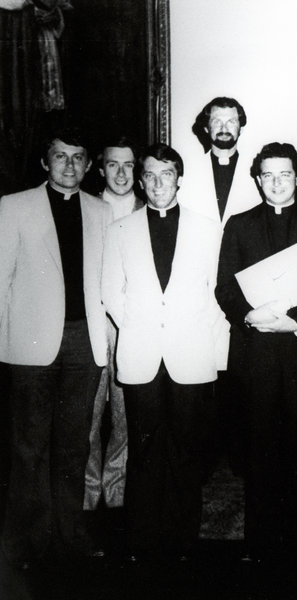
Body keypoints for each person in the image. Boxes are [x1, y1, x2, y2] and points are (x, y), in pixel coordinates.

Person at [216, 143, 297, 561]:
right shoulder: (238, 225)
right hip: (256, 356)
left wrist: (296, 321)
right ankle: (260, 542)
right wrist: (250, 314)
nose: (276, 182)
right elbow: (225, 287)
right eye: (268, 175)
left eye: (284, 174)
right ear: (257, 179)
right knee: (259, 452)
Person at [101, 143, 229, 560]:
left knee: (186, 452)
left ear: (179, 178)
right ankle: (143, 541)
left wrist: (209, 348)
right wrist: (144, 327)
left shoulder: (208, 228)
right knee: (144, 451)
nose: (158, 184)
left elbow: (215, 295)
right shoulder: (119, 230)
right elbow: (111, 293)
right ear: (141, 181)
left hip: (191, 354)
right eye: (150, 176)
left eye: (167, 174)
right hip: (141, 355)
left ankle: (182, 543)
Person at [0, 130, 113, 567]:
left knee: (73, 445)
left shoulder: (101, 211)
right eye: (60, 157)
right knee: (29, 446)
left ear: (88, 165)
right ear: (45, 163)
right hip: (29, 344)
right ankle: (28, 539)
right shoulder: (14, 206)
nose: (70, 166)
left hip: (84, 342)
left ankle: (69, 532)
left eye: (78, 158)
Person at [83, 137, 144, 513]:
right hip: (91, 322)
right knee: (88, 414)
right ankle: (88, 495)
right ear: (101, 168)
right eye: (113, 164)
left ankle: (116, 490)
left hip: (131, 324)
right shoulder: (86, 210)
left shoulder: (146, 209)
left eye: (128, 165)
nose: (121, 173)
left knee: (125, 414)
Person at [180, 96, 260, 225]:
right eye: (217, 122)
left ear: (241, 129)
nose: (224, 128)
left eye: (231, 122)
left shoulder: (258, 169)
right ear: (206, 128)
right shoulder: (189, 170)